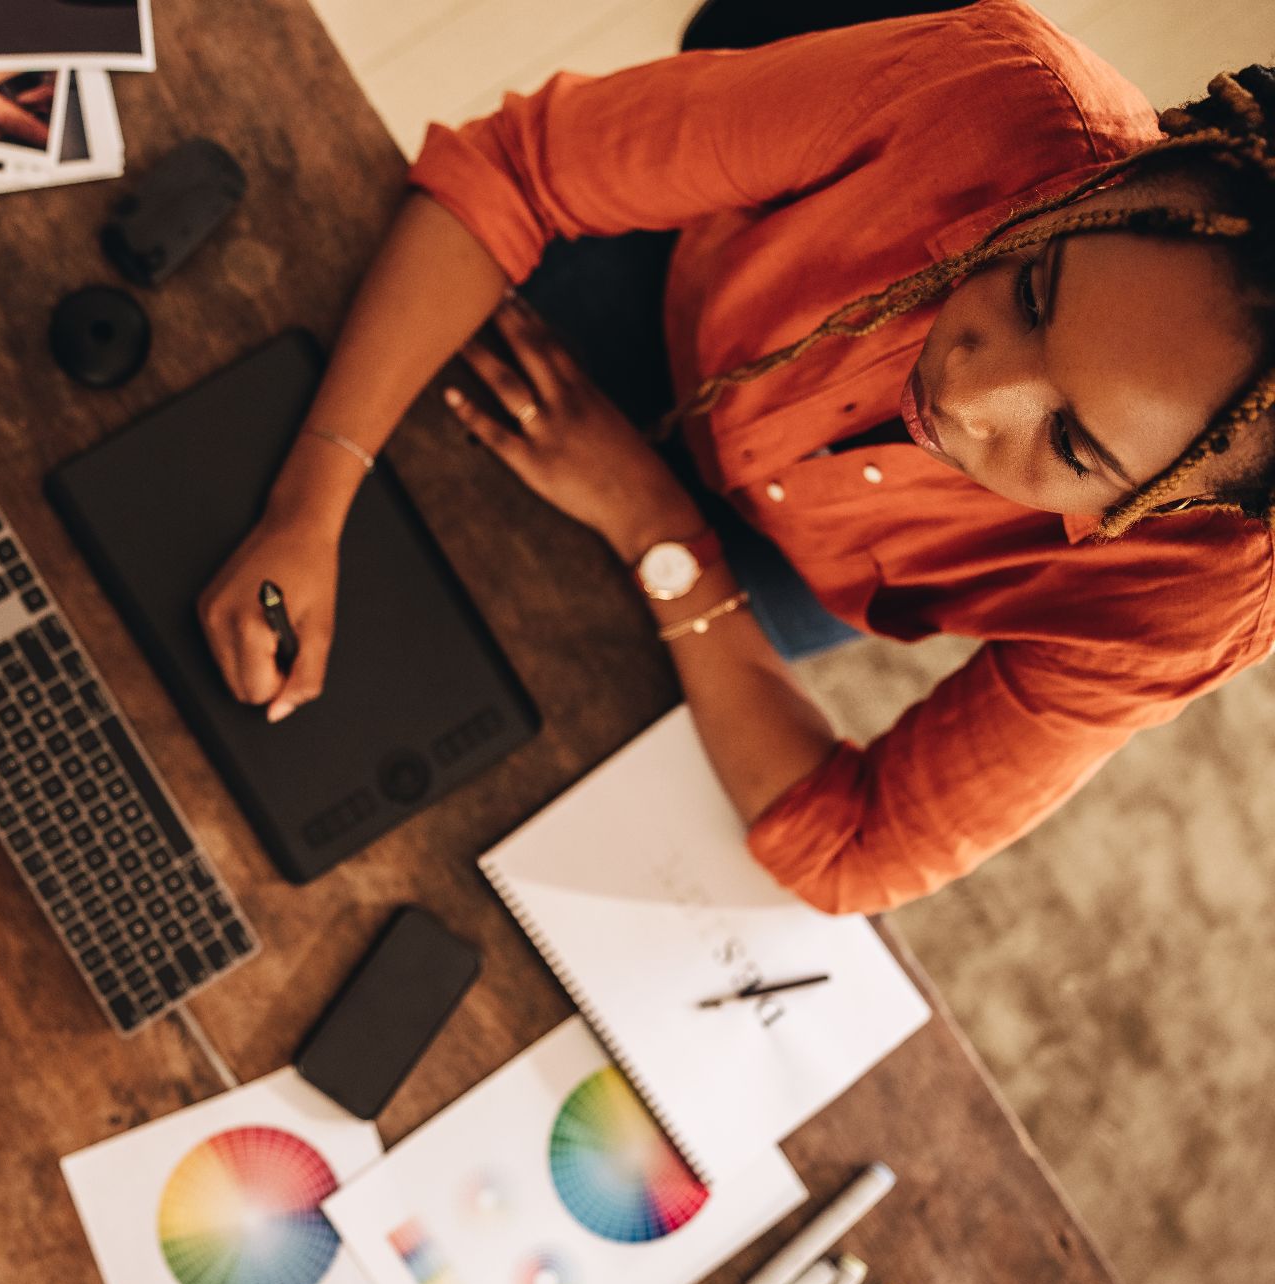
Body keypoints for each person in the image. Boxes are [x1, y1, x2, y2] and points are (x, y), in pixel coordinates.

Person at [196, 0, 1275, 915]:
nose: (962, 391)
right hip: (657, 307)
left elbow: (855, 848)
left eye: (1071, 443)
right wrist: (310, 496)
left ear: (1170, 509)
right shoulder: (983, 93)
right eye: (1032, 286)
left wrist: (659, 530)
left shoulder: (1193, 599)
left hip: (786, 568)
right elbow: (514, 172)